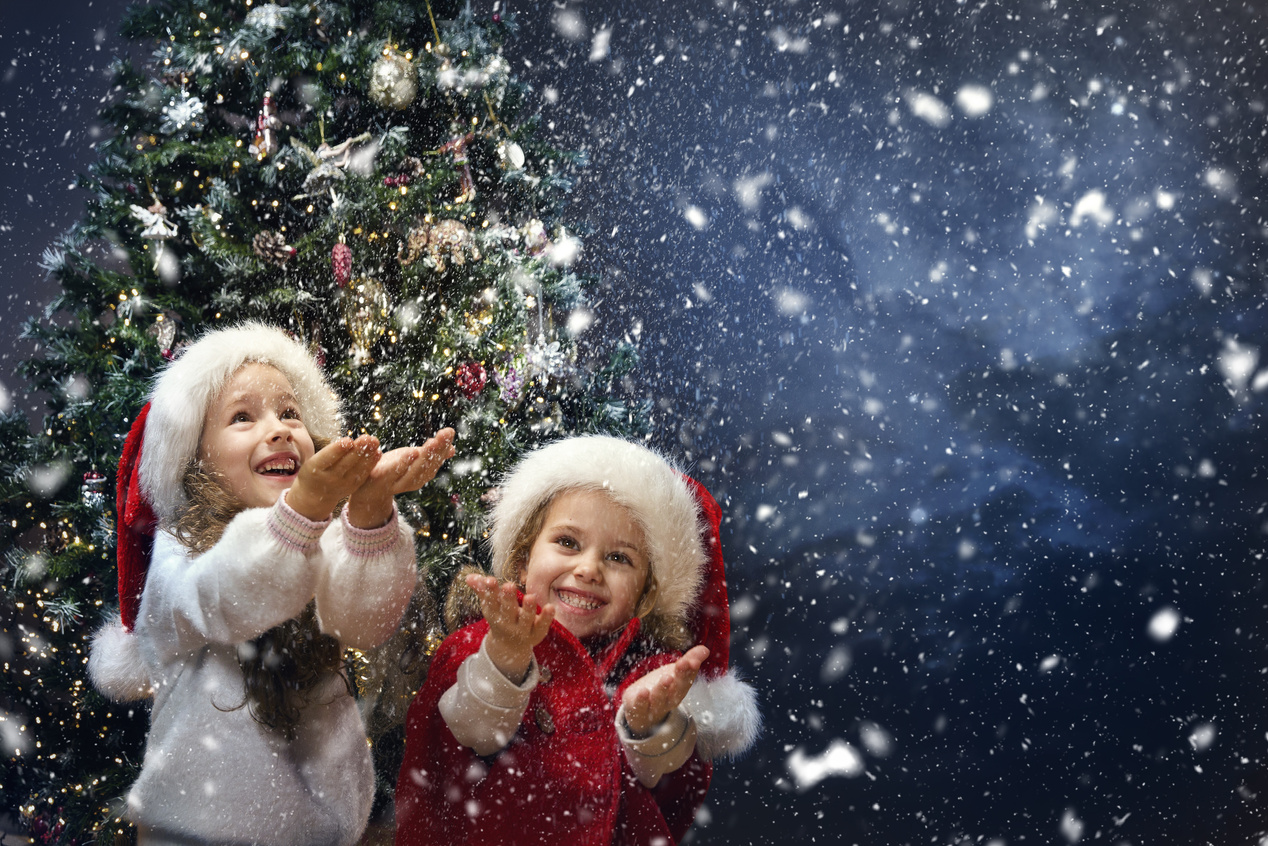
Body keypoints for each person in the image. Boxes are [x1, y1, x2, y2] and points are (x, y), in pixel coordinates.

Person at [87, 322, 455, 846]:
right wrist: (301, 512)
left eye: (290, 413)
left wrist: (370, 510)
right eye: (243, 417)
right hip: (194, 832)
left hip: (321, 832)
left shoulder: (323, 532)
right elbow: (221, 598)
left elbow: (365, 620)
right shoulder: (180, 547)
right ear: (197, 460)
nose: (279, 429)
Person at [394, 435, 761, 846]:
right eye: (567, 542)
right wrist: (506, 658)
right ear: (521, 561)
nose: (588, 569)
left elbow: (667, 778)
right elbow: (471, 733)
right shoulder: (480, 642)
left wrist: (646, 726)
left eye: (619, 558)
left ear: (646, 596)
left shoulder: (650, 671)